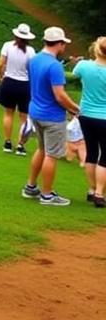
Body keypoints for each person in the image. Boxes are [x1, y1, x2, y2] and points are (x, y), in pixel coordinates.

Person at [21, 26, 81, 206]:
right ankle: (47, 194)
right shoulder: (54, 65)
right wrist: (75, 109)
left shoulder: (35, 60)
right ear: (60, 43)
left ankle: (31, 186)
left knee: (41, 149)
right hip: (52, 115)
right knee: (52, 154)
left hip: (36, 111)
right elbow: (59, 95)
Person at [74, 35, 106, 208]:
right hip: (104, 117)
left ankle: (92, 189)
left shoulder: (84, 66)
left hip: (85, 114)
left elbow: (75, 74)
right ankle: (100, 194)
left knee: (91, 151)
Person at [0, 23, 36, 154]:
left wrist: (1, 76)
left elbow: (1, 64)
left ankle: (7, 142)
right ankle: (20, 145)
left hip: (9, 81)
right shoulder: (31, 51)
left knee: (8, 113)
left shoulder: (7, 46)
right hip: (24, 84)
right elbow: (32, 70)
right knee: (23, 117)